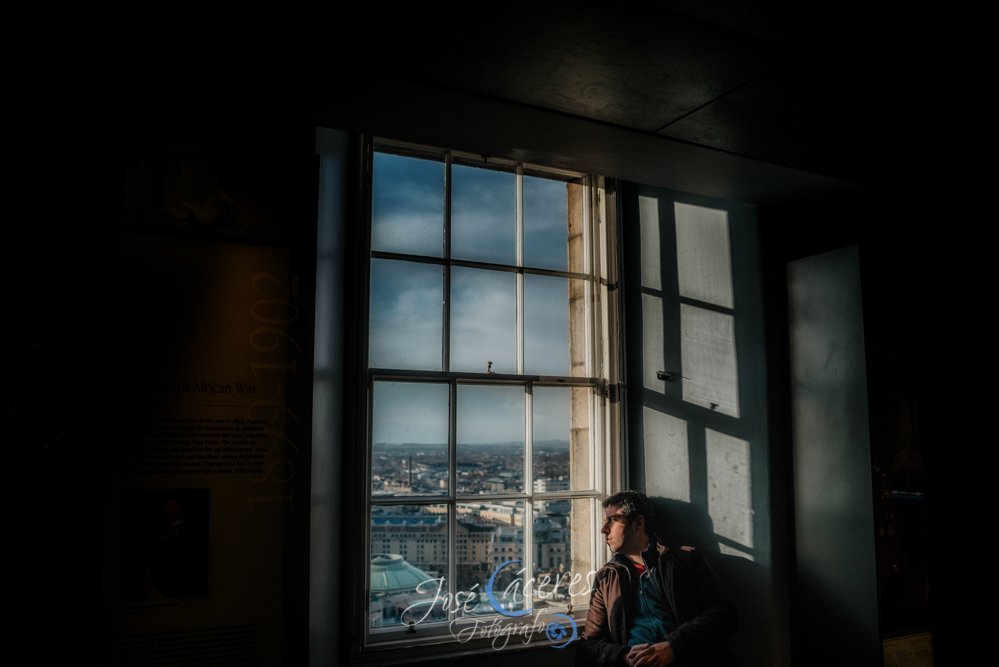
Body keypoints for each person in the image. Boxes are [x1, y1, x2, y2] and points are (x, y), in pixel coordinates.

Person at [577, 491, 738, 666]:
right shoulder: (607, 578)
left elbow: (723, 615)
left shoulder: (683, 560)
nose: (604, 529)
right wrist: (624, 656)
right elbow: (590, 643)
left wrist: (673, 646)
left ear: (638, 523)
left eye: (613, 520)